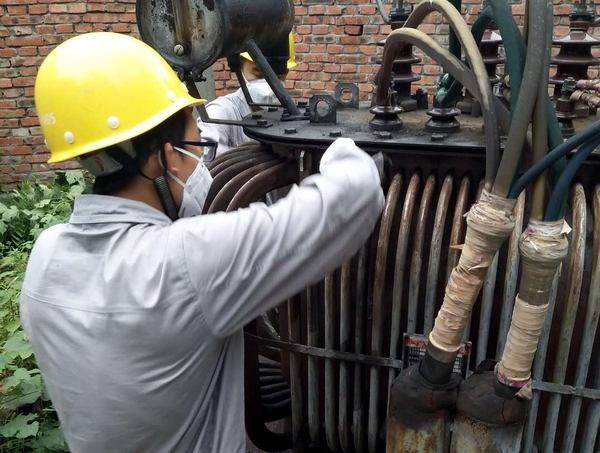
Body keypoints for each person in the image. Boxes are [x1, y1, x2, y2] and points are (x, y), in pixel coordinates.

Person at [20, 32, 384, 453]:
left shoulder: (45, 256)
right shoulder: (186, 263)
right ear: (166, 157)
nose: (201, 162)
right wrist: (332, 148)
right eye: (199, 146)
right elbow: (351, 199)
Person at [198, 33, 297, 154]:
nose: (269, 86)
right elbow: (202, 156)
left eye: (278, 77)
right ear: (239, 66)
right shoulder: (220, 113)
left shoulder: (289, 115)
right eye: (259, 75)